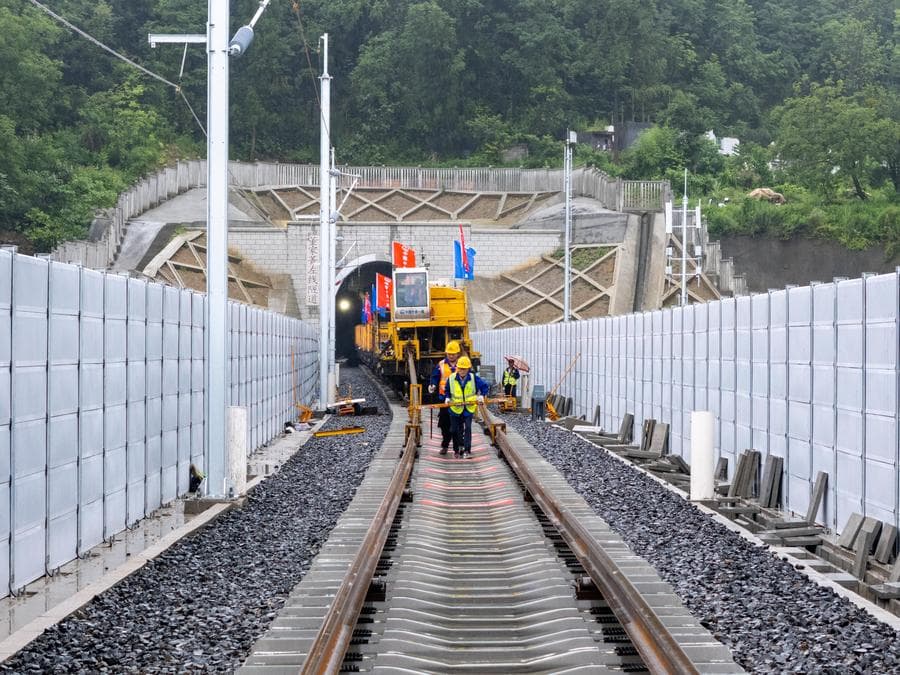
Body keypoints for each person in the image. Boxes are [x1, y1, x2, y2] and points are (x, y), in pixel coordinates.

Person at [445, 356, 489, 458]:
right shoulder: (451, 378)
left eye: (464, 369)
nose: (462, 371)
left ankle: (467, 450)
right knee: (455, 430)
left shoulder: (473, 378)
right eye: (460, 368)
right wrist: (447, 397)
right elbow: (447, 390)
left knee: (468, 428)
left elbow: (484, 386)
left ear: (468, 369)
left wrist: (482, 395)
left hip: (468, 408)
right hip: (455, 408)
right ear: (457, 368)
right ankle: (457, 449)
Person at [428, 341, 461, 454]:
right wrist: (432, 385)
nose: (451, 356)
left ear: (457, 354)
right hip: (443, 399)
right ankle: (445, 445)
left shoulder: (462, 365)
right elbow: (435, 377)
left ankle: (458, 447)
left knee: (457, 424)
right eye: (449, 354)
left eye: (453, 354)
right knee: (444, 423)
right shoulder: (441, 365)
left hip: (458, 400)